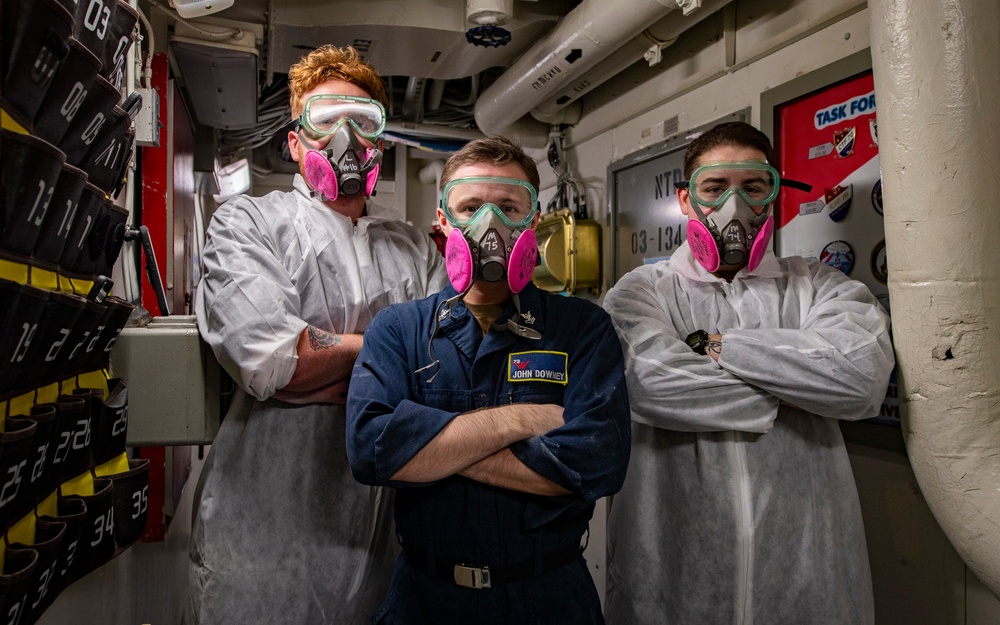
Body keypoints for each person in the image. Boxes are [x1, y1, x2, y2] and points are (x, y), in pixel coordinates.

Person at [188, 45, 447, 624]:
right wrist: (388, 362)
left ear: (381, 142)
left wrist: (317, 363)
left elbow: (443, 372)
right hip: (259, 541)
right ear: (295, 141)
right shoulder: (249, 223)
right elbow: (275, 363)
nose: (346, 139)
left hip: (381, 541)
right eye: (326, 120)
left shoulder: (409, 248)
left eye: (364, 122)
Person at [602, 121, 894, 625]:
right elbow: (649, 383)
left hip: (806, 570)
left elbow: (859, 380)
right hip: (674, 570)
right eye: (714, 188)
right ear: (687, 201)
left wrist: (712, 346)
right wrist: (794, 388)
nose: (733, 207)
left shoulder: (819, 286)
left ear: (772, 196)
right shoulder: (640, 292)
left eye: (753, 187)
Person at [346, 136, 631, 624]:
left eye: (507, 207)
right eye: (471, 207)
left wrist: (430, 449)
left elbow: (596, 463)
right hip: (425, 599)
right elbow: (372, 449)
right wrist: (520, 419)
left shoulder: (583, 328)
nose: (489, 225)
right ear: (442, 220)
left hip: (549, 597)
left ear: (533, 219)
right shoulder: (399, 329)